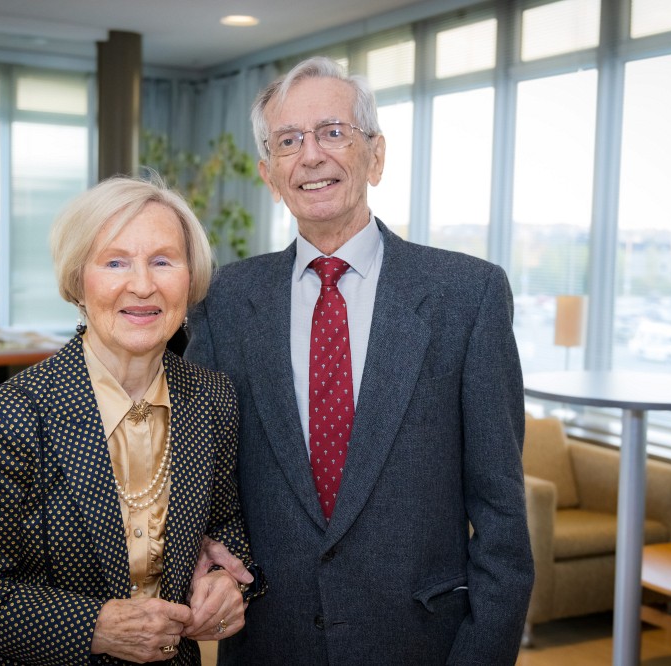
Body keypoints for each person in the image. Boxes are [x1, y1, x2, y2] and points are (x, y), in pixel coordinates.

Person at [185, 56, 533, 665]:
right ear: (269, 174)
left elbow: (501, 513)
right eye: (288, 141)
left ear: (375, 155)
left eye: (332, 132)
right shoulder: (227, 299)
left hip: (421, 640)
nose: (311, 156)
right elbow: (205, 473)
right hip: (270, 640)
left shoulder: (465, 295)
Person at [0, 175, 264, 666]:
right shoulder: (7, 415)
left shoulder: (212, 398)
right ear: (76, 281)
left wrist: (227, 582)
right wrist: (95, 628)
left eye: (163, 261)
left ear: (189, 279)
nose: (143, 284)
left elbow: (225, 523)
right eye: (115, 262)